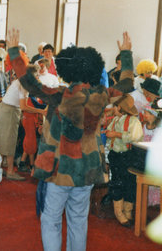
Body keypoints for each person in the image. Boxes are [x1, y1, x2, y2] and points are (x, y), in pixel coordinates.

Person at [8, 29, 134, 251]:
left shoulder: (59, 94)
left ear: (68, 70)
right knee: (78, 220)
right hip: (86, 170)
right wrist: (126, 53)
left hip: (59, 170)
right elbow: (126, 84)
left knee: (51, 220)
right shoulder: (102, 94)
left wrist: (14, 51)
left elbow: (28, 82)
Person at [0, 65, 45, 181]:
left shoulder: (20, 81)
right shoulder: (24, 84)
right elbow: (24, 106)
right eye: (37, 75)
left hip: (6, 110)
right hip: (9, 112)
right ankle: (10, 171)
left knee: (2, 141)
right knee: (9, 142)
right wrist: (41, 111)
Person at [106, 94, 143, 227]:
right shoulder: (115, 120)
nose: (113, 108)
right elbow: (109, 130)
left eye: (115, 106)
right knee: (117, 182)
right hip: (115, 155)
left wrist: (116, 134)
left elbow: (136, 136)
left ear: (119, 107)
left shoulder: (134, 121)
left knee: (129, 182)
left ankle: (128, 211)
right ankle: (119, 213)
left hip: (128, 156)